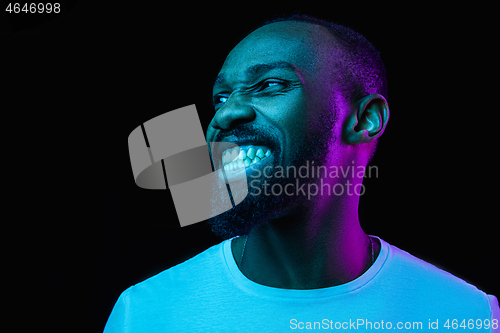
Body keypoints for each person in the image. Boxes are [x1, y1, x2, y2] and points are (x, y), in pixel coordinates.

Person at [104, 15, 499, 332]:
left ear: (364, 120)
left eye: (271, 85)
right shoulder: (144, 313)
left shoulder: (467, 314)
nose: (224, 115)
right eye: (221, 97)